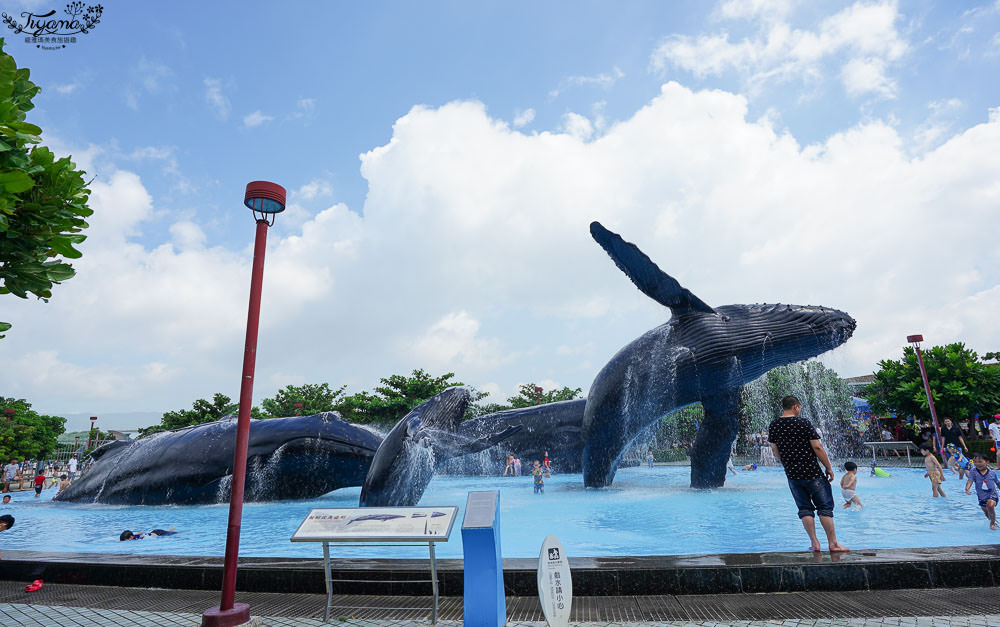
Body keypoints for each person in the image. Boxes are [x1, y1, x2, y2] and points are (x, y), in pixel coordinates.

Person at [768, 395, 848, 552]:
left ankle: (815, 543)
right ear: (796, 407)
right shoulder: (803, 423)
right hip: (812, 472)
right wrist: (828, 467)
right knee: (824, 508)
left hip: (792, 474)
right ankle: (833, 544)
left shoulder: (774, 424)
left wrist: (785, 462)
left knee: (804, 509)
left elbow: (774, 447)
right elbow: (817, 446)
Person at [964, 453, 999, 530]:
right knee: (987, 513)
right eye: (975, 461)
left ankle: (992, 524)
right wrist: (967, 488)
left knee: (990, 505)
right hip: (982, 497)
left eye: (980, 461)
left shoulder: (992, 473)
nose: (977, 464)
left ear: (987, 462)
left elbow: (997, 483)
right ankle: (994, 521)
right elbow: (970, 481)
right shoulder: (973, 472)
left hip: (992, 495)